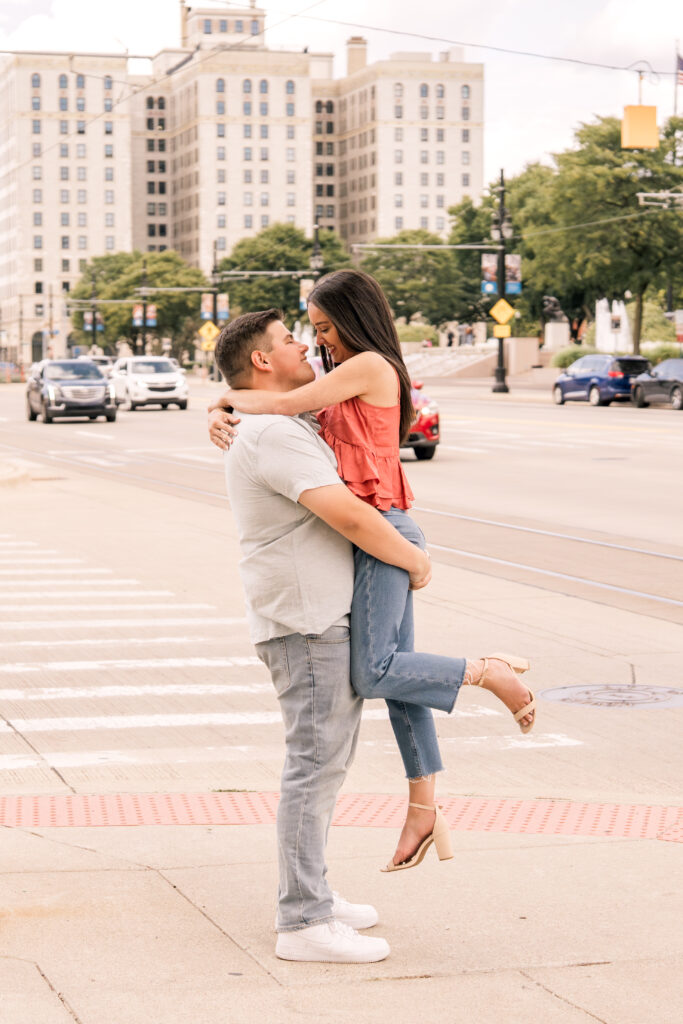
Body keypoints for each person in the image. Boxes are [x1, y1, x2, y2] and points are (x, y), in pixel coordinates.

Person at [209, 270, 536, 872]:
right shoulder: (340, 378)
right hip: (376, 533)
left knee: (377, 669)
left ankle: (487, 671)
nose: (317, 340)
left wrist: (224, 401)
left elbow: (279, 401)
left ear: (353, 319)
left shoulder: (369, 366)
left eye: (325, 327)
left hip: (385, 530)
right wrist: (221, 405)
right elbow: (279, 409)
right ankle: (423, 805)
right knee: (401, 677)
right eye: (309, 332)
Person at [213, 308, 433, 964]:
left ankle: (313, 893)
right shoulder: (275, 435)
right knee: (314, 766)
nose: (304, 343)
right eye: (288, 339)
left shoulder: (284, 422)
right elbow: (348, 516)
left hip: (312, 617)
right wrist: (415, 561)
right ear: (261, 362)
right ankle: (303, 921)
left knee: (324, 764)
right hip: (305, 623)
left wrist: (218, 407)